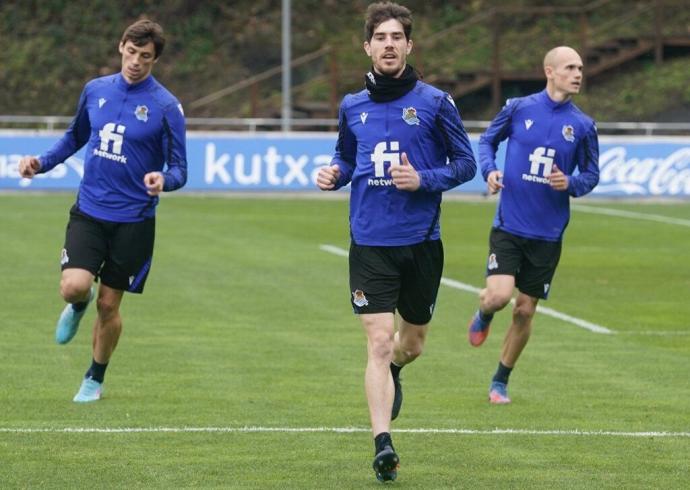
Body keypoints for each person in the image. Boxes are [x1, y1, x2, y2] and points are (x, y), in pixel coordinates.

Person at [317, 2, 476, 482]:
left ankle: (397, 374)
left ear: (409, 45)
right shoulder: (352, 106)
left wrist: (422, 179)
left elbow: (465, 164)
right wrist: (334, 174)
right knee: (379, 343)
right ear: (367, 47)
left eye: (396, 37)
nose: (388, 44)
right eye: (380, 37)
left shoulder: (435, 102)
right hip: (369, 242)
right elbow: (346, 159)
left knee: (411, 344)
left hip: (422, 243)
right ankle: (382, 443)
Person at [19, 19, 187, 403]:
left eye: (146, 56)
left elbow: (180, 169)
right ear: (120, 47)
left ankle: (95, 377)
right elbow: (75, 137)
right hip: (90, 211)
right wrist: (41, 164)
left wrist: (164, 180)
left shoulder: (166, 107)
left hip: (134, 221)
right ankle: (77, 306)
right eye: (131, 52)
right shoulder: (95, 91)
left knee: (109, 304)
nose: (136, 62)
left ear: (155, 59)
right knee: (74, 287)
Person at [467, 46, 599, 404]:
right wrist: (490, 171)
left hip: (548, 233)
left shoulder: (584, 126)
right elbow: (487, 141)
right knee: (498, 295)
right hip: (510, 225)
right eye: (570, 67)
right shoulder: (519, 108)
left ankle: (500, 380)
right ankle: (484, 312)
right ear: (550, 71)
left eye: (581, 68)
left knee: (525, 309)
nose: (578, 74)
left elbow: (591, 175)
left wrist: (570, 184)